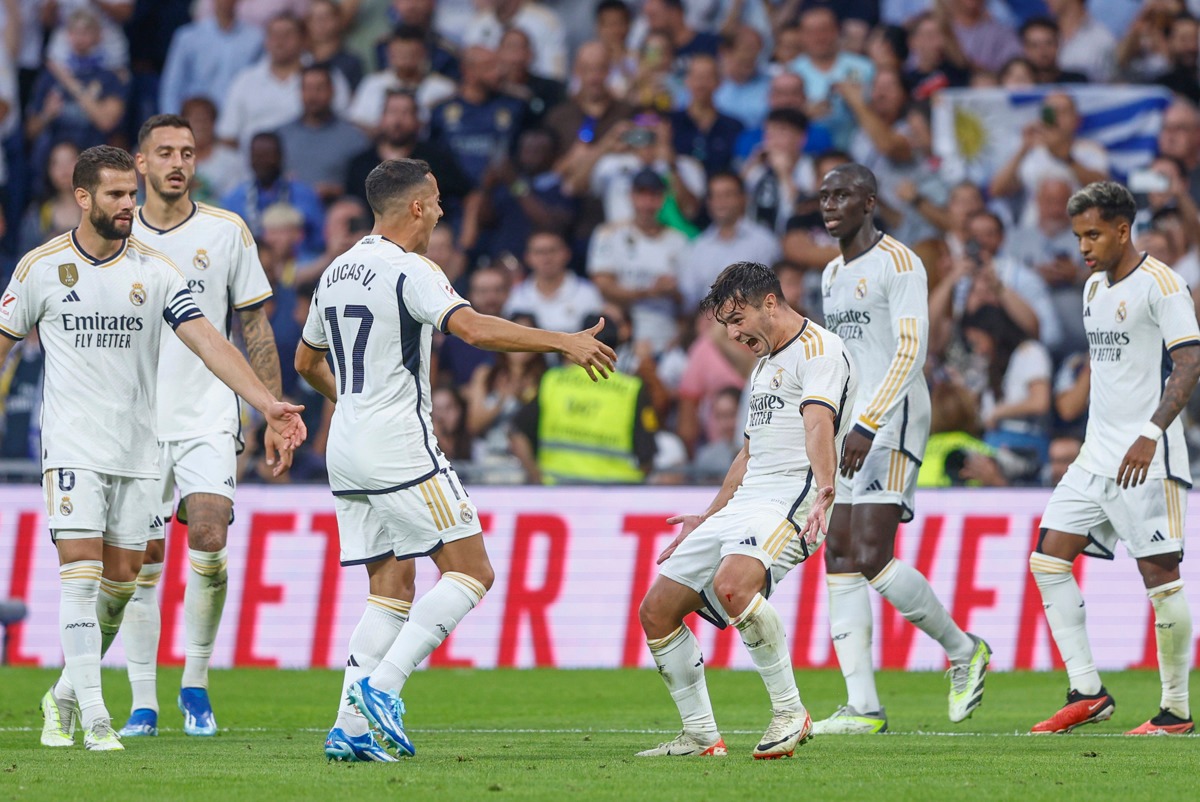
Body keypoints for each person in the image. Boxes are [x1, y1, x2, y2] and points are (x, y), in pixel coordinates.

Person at [292, 158, 614, 761]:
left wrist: (353, 402)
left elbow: (307, 364)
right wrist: (562, 340)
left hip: (346, 446)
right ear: (415, 207)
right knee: (472, 571)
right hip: (398, 445)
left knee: (390, 587)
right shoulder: (410, 269)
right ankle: (381, 690)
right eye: (436, 200)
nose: (441, 211)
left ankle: (349, 731)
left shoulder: (335, 272)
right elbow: (471, 329)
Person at [10, 145, 304, 752]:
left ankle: (61, 695)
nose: (130, 204)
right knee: (81, 578)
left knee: (120, 586)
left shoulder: (156, 270)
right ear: (83, 197)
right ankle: (95, 717)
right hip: (72, 445)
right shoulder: (40, 268)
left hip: (141, 446)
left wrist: (265, 402)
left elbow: (211, 342)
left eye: (131, 194)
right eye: (117, 194)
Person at [636, 260, 856, 759]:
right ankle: (700, 735)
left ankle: (790, 711)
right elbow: (749, 451)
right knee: (656, 611)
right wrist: (710, 513)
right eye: (726, 326)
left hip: (792, 499)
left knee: (733, 586)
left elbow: (819, 425)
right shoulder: (764, 364)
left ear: (771, 303)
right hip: (747, 500)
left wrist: (825, 490)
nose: (733, 335)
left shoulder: (821, 350)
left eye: (738, 321)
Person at [110, 114, 284, 739]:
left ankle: (196, 683)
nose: (178, 162)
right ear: (140, 163)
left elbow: (254, 325)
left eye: (187, 151)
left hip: (209, 411)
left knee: (208, 535)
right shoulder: (113, 237)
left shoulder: (227, 230)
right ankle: (142, 702)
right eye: (164, 153)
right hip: (134, 420)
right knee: (143, 559)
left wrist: (272, 409)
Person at [815, 164, 990, 734]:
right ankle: (863, 706)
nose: (829, 204)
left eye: (842, 195)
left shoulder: (900, 261)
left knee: (870, 551)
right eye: (824, 196)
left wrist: (867, 421)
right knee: (837, 551)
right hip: (854, 423)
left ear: (869, 202)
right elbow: (846, 357)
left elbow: (911, 349)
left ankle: (964, 651)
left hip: (893, 419)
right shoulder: (831, 273)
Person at [1031, 181, 1200, 736]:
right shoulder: (1091, 288)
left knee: (1161, 578)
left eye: (1094, 234)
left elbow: (1189, 365)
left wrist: (1152, 431)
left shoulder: (1163, 285)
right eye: (1079, 235)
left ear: (1123, 230)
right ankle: (1087, 690)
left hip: (1147, 456)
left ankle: (1175, 711)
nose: (1084, 246)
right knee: (1048, 560)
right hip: (1095, 455)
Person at [509, 312, 656, 485]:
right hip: (615, 495)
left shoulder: (553, 381)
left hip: (558, 491)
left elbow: (516, 433)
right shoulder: (632, 389)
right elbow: (647, 455)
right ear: (616, 345)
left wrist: (536, 478)